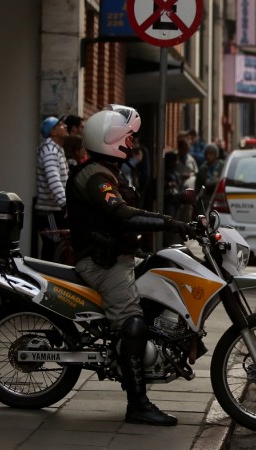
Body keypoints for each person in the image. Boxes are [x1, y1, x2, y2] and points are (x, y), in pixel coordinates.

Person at [66, 104, 194, 427]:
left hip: (118, 256)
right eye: (128, 138)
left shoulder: (108, 171)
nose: (132, 145)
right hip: (100, 263)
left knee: (163, 277)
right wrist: (169, 222)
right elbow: (121, 214)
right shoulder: (95, 176)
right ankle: (137, 404)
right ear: (111, 139)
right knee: (132, 324)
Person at [36, 115, 70, 261]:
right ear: (53, 132)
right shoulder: (50, 151)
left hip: (55, 209)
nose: (65, 126)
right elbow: (54, 180)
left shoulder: (56, 149)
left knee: (56, 247)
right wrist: (65, 204)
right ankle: (48, 280)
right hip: (50, 210)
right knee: (55, 247)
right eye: (61, 125)